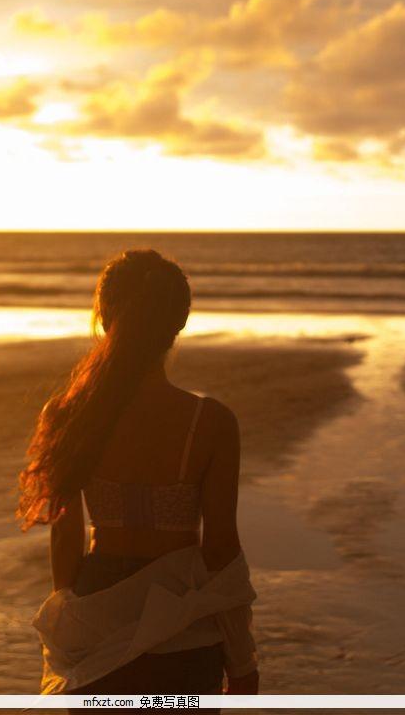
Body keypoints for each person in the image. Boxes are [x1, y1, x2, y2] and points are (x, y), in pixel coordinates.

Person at [20, 250, 259, 696]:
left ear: (106, 317)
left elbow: (64, 540)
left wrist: (73, 628)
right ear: (179, 323)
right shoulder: (210, 422)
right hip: (180, 615)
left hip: (96, 607)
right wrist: (242, 658)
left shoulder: (70, 413)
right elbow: (221, 546)